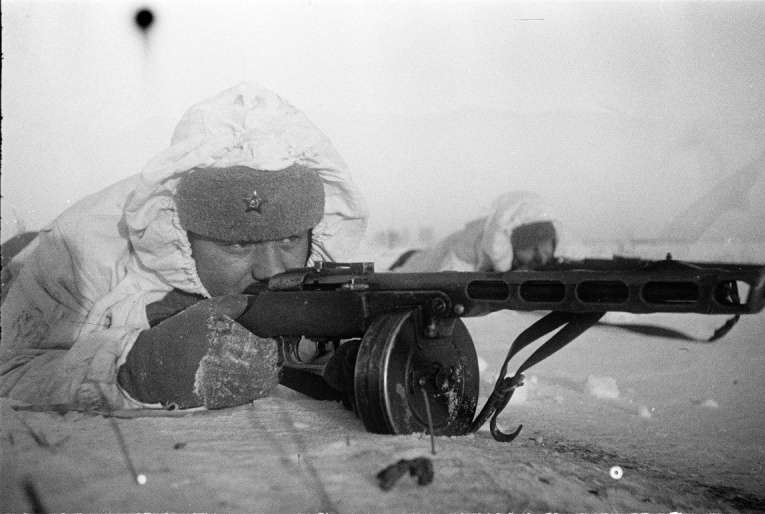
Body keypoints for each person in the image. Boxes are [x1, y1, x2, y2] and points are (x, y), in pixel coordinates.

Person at [0, 83, 369, 411]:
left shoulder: (319, 264)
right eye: (239, 244)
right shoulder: (81, 249)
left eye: (290, 239)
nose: (272, 270)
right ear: (182, 234)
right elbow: (11, 369)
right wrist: (134, 371)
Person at [389, 191, 561, 273]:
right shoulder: (468, 250)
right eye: (531, 249)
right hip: (413, 264)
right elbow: (446, 282)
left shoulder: (494, 240)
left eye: (546, 249)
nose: (541, 258)